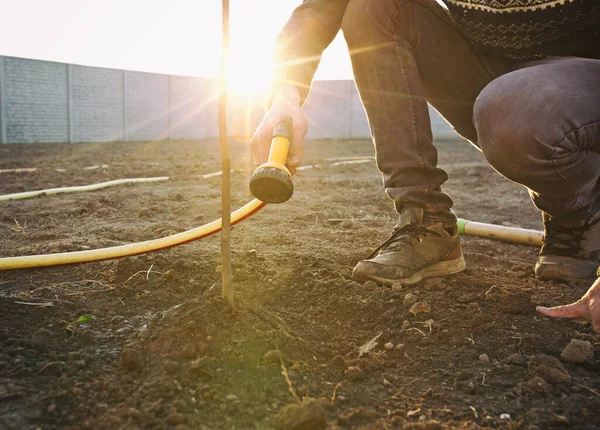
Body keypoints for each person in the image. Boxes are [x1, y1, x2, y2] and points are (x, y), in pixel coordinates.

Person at [249, 0, 600, 330]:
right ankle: (427, 219)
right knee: (377, 7)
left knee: (515, 109)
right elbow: (322, 7)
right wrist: (285, 93)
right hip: (496, 67)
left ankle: (579, 212)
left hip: (583, 75)